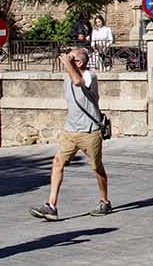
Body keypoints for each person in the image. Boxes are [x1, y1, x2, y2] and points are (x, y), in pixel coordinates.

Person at [31, 48, 113, 220]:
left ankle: (104, 201)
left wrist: (68, 63)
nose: (67, 60)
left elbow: (78, 81)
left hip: (90, 131)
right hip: (70, 130)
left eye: (72, 58)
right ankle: (51, 206)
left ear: (80, 63)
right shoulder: (67, 75)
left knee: (97, 167)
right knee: (57, 162)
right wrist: (68, 62)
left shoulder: (90, 76)